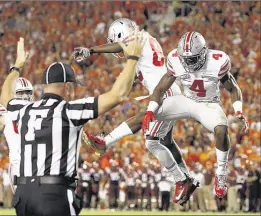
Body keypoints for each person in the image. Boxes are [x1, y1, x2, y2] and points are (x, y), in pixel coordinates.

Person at [0, 33, 145, 216]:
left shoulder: (24, 110)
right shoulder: (68, 110)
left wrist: (17, 66)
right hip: (54, 194)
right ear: (67, 87)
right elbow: (117, 95)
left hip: (23, 195)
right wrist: (133, 58)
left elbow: (5, 97)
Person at [74, 18, 199, 205]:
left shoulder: (137, 39)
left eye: (116, 40)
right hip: (170, 90)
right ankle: (187, 177)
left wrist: (91, 50)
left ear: (120, 35)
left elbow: (119, 46)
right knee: (166, 141)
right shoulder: (146, 39)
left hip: (165, 93)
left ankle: (181, 179)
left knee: (152, 143)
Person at [142, 31, 249, 198]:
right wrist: (150, 110)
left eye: (191, 59)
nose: (187, 63)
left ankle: (221, 173)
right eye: (185, 59)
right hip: (186, 100)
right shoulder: (176, 59)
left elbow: (232, 87)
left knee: (221, 129)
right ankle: (109, 138)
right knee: (150, 113)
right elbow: (160, 88)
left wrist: (238, 110)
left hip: (209, 104)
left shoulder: (217, 61)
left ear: (203, 53)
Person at [0, 77, 34, 193]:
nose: (25, 96)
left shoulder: (37, 109)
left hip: (37, 165)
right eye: (21, 93)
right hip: (18, 166)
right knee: (24, 202)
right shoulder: (4, 110)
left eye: (27, 92)